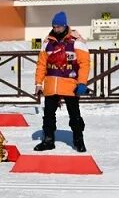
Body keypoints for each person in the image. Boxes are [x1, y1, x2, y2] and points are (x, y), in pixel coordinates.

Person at [34, 11, 90, 152]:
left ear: (65, 26)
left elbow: (85, 63)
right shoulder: (47, 43)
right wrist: (38, 83)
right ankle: (48, 140)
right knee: (48, 115)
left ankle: (78, 140)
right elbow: (41, 65)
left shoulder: (76, 41)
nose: (56, 29)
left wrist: (82, 83)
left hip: (70, 85)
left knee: (74, 115)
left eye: (59, 26)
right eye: (54, 26)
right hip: (51, 85)